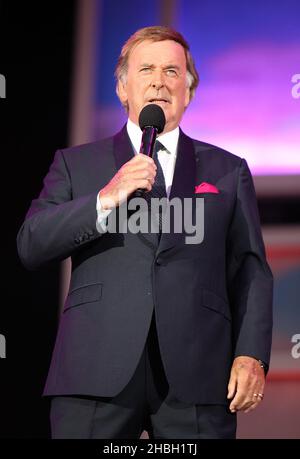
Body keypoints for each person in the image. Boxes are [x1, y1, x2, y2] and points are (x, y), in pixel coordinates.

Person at [17, 26, 273, 439]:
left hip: (198, 374)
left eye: (173, 71)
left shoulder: (229, 169)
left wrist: (251, 355)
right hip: (95, 372)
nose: (159, 80)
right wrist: (105, 198)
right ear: (123, 88)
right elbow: (31, 244)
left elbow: (251, 271)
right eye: (147, 69)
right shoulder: (75, 164)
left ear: (188, 91)